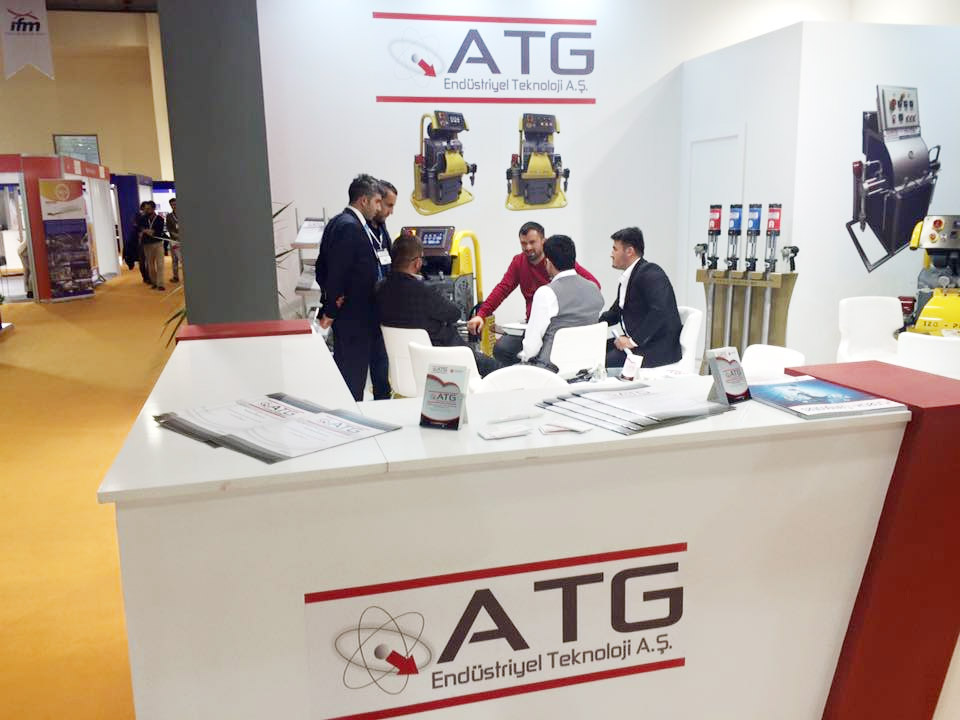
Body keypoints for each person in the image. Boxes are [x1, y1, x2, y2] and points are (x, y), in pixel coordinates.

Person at [466, 221, 600, 366]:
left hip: (557, 327)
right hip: (533, 325)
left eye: (532, 242)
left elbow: (592, 286)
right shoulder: (519, 262)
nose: (528, 247)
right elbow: (502, 289)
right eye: (523, 243)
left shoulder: (558, 261)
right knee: (501, 349)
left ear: (543, 241)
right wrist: (481, 314)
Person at [377, 232, 500, 377]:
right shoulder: (424, 291)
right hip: (444, 359)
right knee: (496, 367)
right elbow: (454, 313)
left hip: (404, 369)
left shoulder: (379, 289)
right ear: (417, 263)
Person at [316, 174, 391, 401]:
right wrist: (331, 308)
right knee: (352, 380)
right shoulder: (349, 227)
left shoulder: (343, 223)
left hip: (363, 316)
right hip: (354, 318)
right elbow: (336, 272)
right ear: (364, 201)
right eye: (377, 202)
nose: (379, 208)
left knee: (365, 374)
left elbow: (322, 268)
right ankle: (350, 417)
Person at [519, 234, 604, 369]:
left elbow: (531, 348)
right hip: (588, 368)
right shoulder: (594, 288)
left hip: (550, 369)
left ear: (548, 262)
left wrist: (524, 358)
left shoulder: (546, 293)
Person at [601, 226, 682, 369]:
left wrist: (632, 341)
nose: (611, 254)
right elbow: (615, 313)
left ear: (629, 251)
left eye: (615, 249)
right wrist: (592, 325)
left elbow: (659, 311)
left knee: (602, 362)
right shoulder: (630, 277)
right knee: (594, 351)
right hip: (641, 343)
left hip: (657, 348)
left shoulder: (651, 273)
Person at [137, 201, 166, 290]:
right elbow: (140, 229)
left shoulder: (160, 219)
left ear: (153, 209)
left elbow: (157, 232)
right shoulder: (142, 219)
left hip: (158, 244)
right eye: (145, 209)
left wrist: (147, 231)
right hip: (147, 244)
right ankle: (154, 282)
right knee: (150, 265)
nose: (146, 210)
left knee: (160, 264)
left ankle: (160, 284)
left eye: (148, 209)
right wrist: (148, 231)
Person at [167, 198, 182, 283]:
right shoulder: (169, 216)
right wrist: (175, 235)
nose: (174, 206)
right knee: (174, 259)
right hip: (174, 240)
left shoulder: (184, 214)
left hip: (184, 240)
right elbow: (169, 228)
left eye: (175, 204)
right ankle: (175, 276)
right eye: (172, 205)